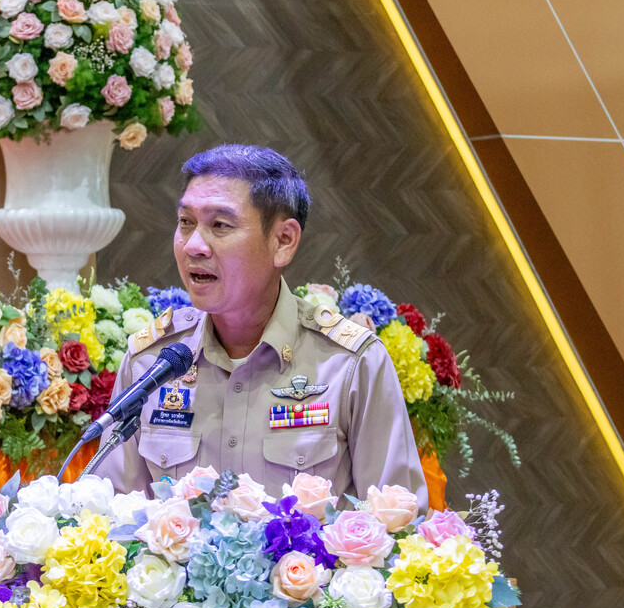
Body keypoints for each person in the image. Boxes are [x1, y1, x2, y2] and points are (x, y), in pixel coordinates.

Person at [89, 144, 427, 506]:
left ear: (283, 241)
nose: (193, 246)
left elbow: (399, 521)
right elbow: (110, 516)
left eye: (220, 225)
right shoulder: (152, 362)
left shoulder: (350, 364)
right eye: (186, 222)